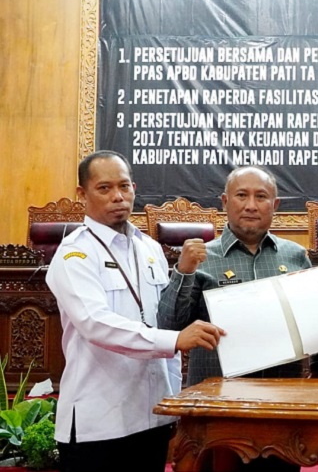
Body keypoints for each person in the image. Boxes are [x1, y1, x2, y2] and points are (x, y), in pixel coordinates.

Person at [46, 150, 224, 472]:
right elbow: (95, 324)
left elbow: (161, 317)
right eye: (104, 188)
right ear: (81, 194)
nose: (118, 196)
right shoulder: (74, 254)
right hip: (98, 421)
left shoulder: (150, 249)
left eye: (124, 187)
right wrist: (173, 340)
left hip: (151, 415)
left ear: (134, 188)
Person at [158, 165, 318, 386]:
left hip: (283, 393)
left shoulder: (295, 256)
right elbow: (169, 326)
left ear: (275, 205)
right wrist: (184, 272)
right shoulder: (200, 259)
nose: (250, 206)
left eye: (261, 197)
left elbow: (312, 320)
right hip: (215, 396)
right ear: (225, 202)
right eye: (241, 195)